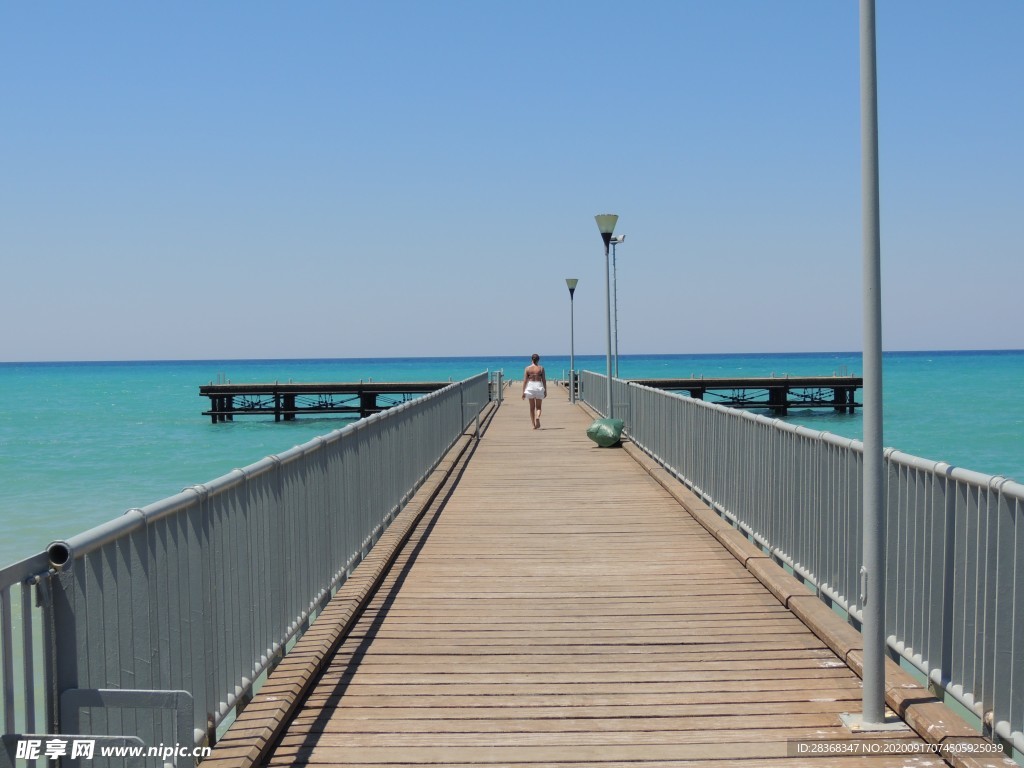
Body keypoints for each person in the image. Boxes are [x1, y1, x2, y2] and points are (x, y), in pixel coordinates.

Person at [522, 353, 547, 429]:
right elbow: (544, 380)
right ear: (538, 360)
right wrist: (545, 390)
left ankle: (533, 425)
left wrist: (523, 392)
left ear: (531, 359)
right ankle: (538, 417)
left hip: (530, 387)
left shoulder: (527, 368)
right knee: (538, 407)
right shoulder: (541, 368)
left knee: (532, 407)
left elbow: (525, 381)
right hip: (539, 386)